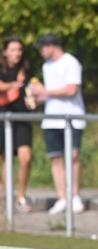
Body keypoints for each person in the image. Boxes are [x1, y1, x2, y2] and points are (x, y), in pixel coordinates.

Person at [32, 33, 86, 214]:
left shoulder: (71, 62)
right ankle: (62, 197)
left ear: (51, 46)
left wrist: (44, 91)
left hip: (72, 118)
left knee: (73, 156)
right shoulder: (46, 66)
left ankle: (75, 196)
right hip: (51, 118)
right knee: (56, 158)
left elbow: (71, 90)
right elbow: (49, 94)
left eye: (42, 47)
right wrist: (37, 98)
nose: (41, 52)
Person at [0, 36, 35, 212]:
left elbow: (31, 88)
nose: (17, 53)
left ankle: (21, 195)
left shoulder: (26, 69)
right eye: (13, 50)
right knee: (6, 159)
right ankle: (9, 196)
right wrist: (12, 85)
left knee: (26, 157)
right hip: (3, 116)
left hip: (22, 117)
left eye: (19, 50)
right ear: (5, 51)